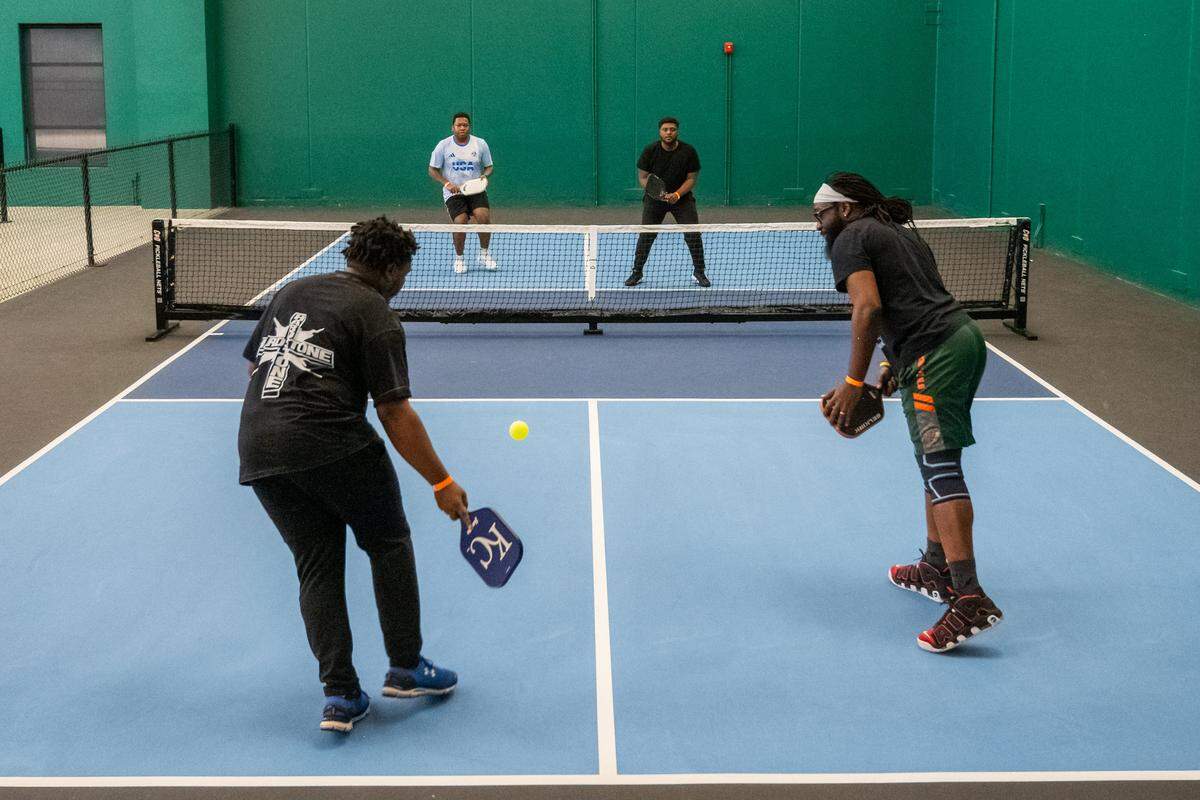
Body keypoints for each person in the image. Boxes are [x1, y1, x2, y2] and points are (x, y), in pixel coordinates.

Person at [238, 216, 470, 732]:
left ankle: (341, 696)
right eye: (405, 271)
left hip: (259, 448)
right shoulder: (377, 314)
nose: (404, 281)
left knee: (316, 564)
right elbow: (394, 412)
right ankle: (407, 666)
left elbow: (254, 369)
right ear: (390, 268)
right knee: (387, 541)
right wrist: (441, 481)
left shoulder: (293, 291)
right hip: (332, 440)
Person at [814, 172, 1002, 653]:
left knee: (941, 466)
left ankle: (969, 596)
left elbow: (869, 308)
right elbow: (909, 302)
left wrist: (854, 384)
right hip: (953, 342)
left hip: (936, 353)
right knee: (931, 460)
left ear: (847, 208)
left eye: (821, 214)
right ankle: (937, 566)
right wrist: (892, 368)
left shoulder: (851, 237)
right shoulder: (897, 232)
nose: (817, 225)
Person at [624, 117, 710, 288]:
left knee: (693, 234)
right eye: (665, 129)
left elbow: (692, 178)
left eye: (672, 129)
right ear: (660, 131)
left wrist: (677, 194)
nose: (669, 132)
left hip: (682, 199)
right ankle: (637, 272)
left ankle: (699, 272)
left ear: (677, 131)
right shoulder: (650, 151)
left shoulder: (688, 151)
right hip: (655, 200)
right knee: (646, 235)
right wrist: (657, 193)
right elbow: (642, 177)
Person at [428, 112, 496, 274]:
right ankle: (459, 258)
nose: (462, 128)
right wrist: (447, 183)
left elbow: (489, 167)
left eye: (465, 125)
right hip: (454, 193)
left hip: (475, 189)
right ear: (453, 128)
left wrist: (484, 176)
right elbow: (432, 169)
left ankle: (484, 254)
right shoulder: (443, 146)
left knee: (483, 217)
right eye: (459, 125)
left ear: (469, 127)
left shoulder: (480, 144)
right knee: (460, 221)